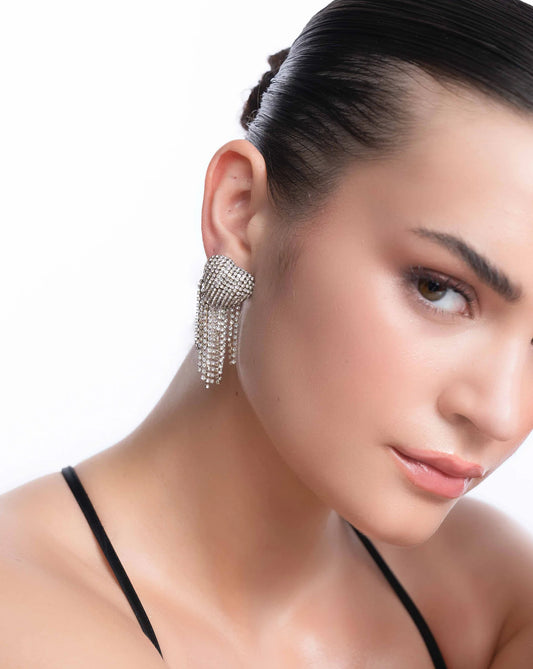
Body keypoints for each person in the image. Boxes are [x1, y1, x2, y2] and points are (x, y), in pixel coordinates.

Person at [2, 0, 533, 666]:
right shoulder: (23, 617)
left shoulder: (493, 593)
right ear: (240, 210)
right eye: (438, 289)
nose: (501, 413)